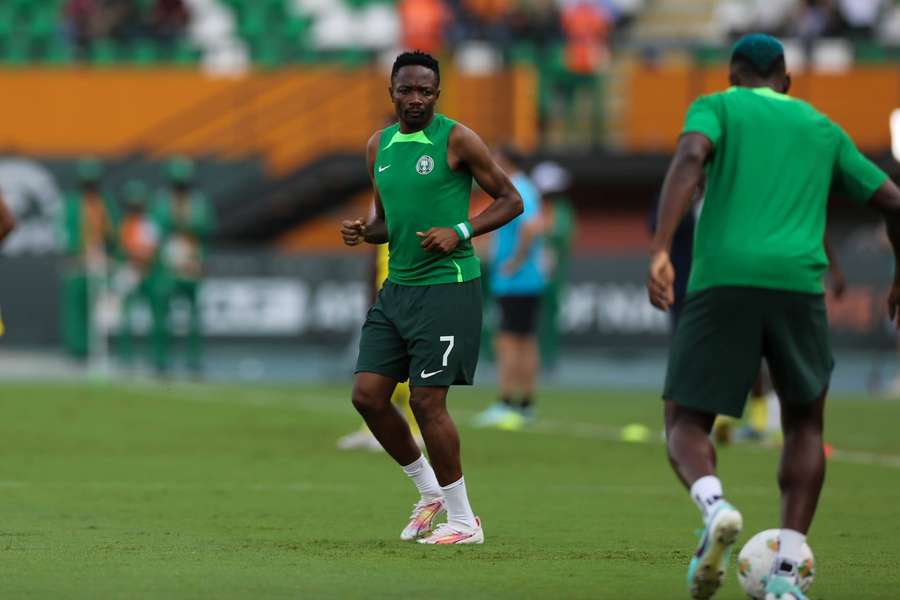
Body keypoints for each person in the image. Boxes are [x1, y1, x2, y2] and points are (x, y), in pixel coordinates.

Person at [647, 33, 900, 600]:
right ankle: (787, 572)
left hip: (723, 279)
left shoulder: (717, 107)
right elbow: (892, 201)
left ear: (733, 75)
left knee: (685, 420)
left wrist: (662, 248)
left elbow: (690, 157)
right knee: (805, 424)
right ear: (786, 81)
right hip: (798, 286)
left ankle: (714, 505)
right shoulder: (821, 126)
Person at [340, 51, 522, 545]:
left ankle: (465, 522)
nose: (416, 98)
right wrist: (365, 231)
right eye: (407, 90)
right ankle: (429, 493)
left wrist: (460, 230)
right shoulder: (379, 145)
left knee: (426, 401)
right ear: (392, 92)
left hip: (448, 287)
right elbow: (385, 223)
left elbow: (511, 199)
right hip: (397, 288)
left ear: (438, 94)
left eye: (425, 90)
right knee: (368, 396)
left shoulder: (457, 139)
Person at [473, 146, 545, 429]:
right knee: (525, 340)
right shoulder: (527, 188)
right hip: (526, 279)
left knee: (507, 341)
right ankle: (525, 405)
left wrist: (516, 261)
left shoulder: (519, 188)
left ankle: (506, 403)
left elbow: (532, 227)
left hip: (516, 280)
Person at [336, 240, 423, 452]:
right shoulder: (384, 210)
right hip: (385, 293)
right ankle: (372, 428)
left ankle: (416, 429)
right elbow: (376, 254)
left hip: (410, 293)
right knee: (378, 366)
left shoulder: (416, 213)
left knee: (406, 366)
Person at [151, 157, 214, 375]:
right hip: (168, 267)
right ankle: (161, 360)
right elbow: (157, 228)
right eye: (177, 183)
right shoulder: (161, 201)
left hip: (192, 265)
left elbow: (206, 226)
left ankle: (193, 360)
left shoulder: (197, 202)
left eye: (183, 183)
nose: (180, 188)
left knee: (194, 318)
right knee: (162, 318)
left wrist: (187, 225)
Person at [60, 158, 119, 361]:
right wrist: (76, 252)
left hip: (100, 261)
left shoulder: (105, 203)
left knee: (100, 306)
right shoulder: (73, 203)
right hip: (79, 261)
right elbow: (65, 232)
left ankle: (100, 347)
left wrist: (106, 253)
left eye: (93, 182)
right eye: (87, 183)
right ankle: (77, 349)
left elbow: (113, 232)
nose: (90, 187)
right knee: (76, 305)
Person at [531, 161, 574, 371]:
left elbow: (563, 235)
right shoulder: (530, 204)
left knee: (549, 314)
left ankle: (548, 357)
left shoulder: (562, 209)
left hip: (552, 270)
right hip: (528, 270)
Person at [115, 180, 160, 368]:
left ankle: (156, 357)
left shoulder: (149, 224)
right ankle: (126, 357)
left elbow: (151, 250)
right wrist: (134, 255)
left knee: (156, 315)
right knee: (125, 316)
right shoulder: (125, 224)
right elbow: (123, 249)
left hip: (148, 273)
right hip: (130, 271)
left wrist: (140, 256)